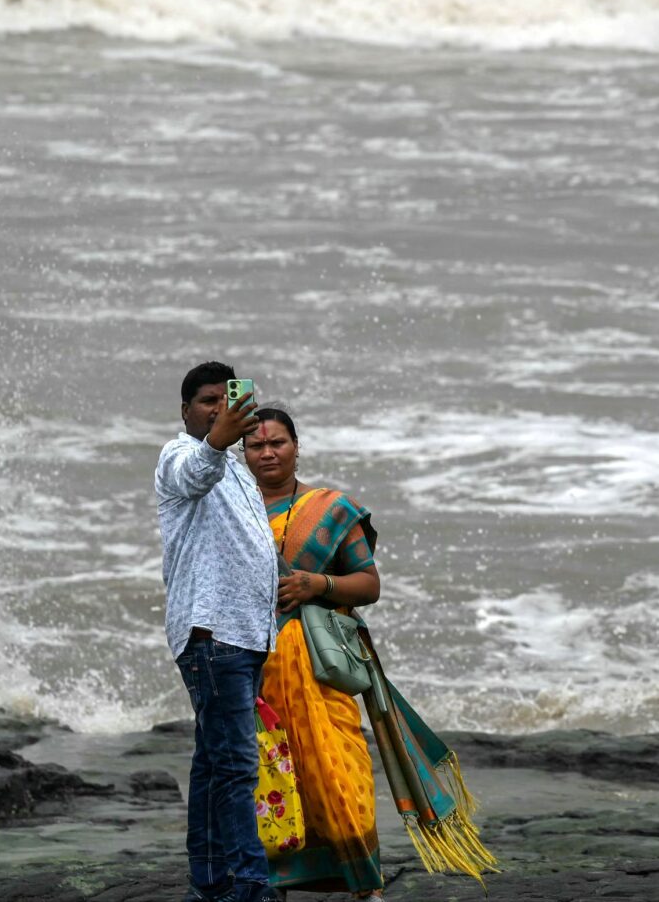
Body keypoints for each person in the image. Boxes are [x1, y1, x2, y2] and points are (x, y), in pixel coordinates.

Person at [246, 404, 497, 899]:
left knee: (340, 768)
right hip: (254, 665)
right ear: (243, 453)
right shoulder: (233, 509)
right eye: (256, 445)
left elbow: (369, 584)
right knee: (272, 774)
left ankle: (365, 886)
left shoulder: (332, 510)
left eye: (278, 442)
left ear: (296, 446)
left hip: (320, 666)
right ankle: (277, 882)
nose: (268, 452)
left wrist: (316, 583)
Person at [156, 361, 283, 902]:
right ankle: (250, 884)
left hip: (243, 636)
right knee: (236, 767)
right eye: (208, 401)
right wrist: (216, 441)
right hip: (214, 635)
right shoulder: (180, 455)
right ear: (186, 410)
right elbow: (194, 475)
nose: (218, 409)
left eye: (225, 399)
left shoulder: (235, 466)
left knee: (214, 764)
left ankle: (210, 882)